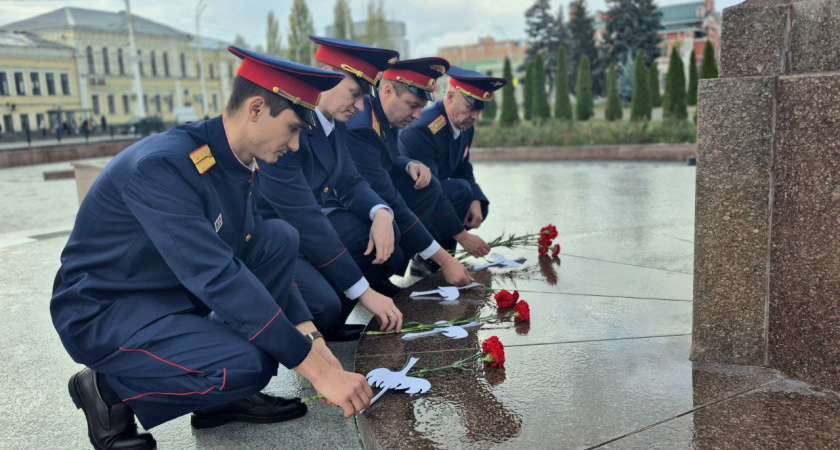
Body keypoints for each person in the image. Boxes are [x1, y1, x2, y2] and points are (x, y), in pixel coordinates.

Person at [51, 47, 373, 450]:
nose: (295, 145)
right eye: (292, 129)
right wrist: (316, 372)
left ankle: (221, 399)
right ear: (256, 108)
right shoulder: (164, 166)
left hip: (167, 291)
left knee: (278, 237)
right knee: (248, 366)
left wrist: (311, 338)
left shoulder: (233, 160)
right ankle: (106, 388)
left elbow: (250, 251)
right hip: (108, 310)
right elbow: (219, 276)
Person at [256, 36, 404, 342]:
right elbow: (304, 219)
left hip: (302, 228)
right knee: (322, 304)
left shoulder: (332, 120)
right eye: (354, 93)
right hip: (270, 238)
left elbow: (350, 179)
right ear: (325, 75)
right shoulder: (285, 124)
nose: (361, 106)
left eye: (365, 96)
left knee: (385, 235)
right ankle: (313, 331)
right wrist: (365, 292)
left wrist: (381, 213)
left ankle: (332, 321)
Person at [345, 57, 473, 286]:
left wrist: (407, 163)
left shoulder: (383, 116)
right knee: (393, 229)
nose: (416, 115)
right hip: (341, 206)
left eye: (421, 108)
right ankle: (368, 281)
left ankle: (383, 271)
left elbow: (386, 157)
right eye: (412, 105)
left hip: (363, 197)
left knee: (428, 185)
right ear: (387, 91)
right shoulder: (363, 126)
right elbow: (389, 197)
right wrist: (445, 260)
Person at [398, 66, 508, 274]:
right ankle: (424, 256)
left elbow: (463, 166)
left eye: (478, 110)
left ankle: (443, 255)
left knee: (474, 201)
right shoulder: (423, 128)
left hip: (432, 194)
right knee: (459, 191)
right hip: (411, 202)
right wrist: (463, 237)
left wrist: (476, 200)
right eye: (469, 108)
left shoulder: (464, 124)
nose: (474, 116)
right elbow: (429, 190)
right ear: (449, 97)